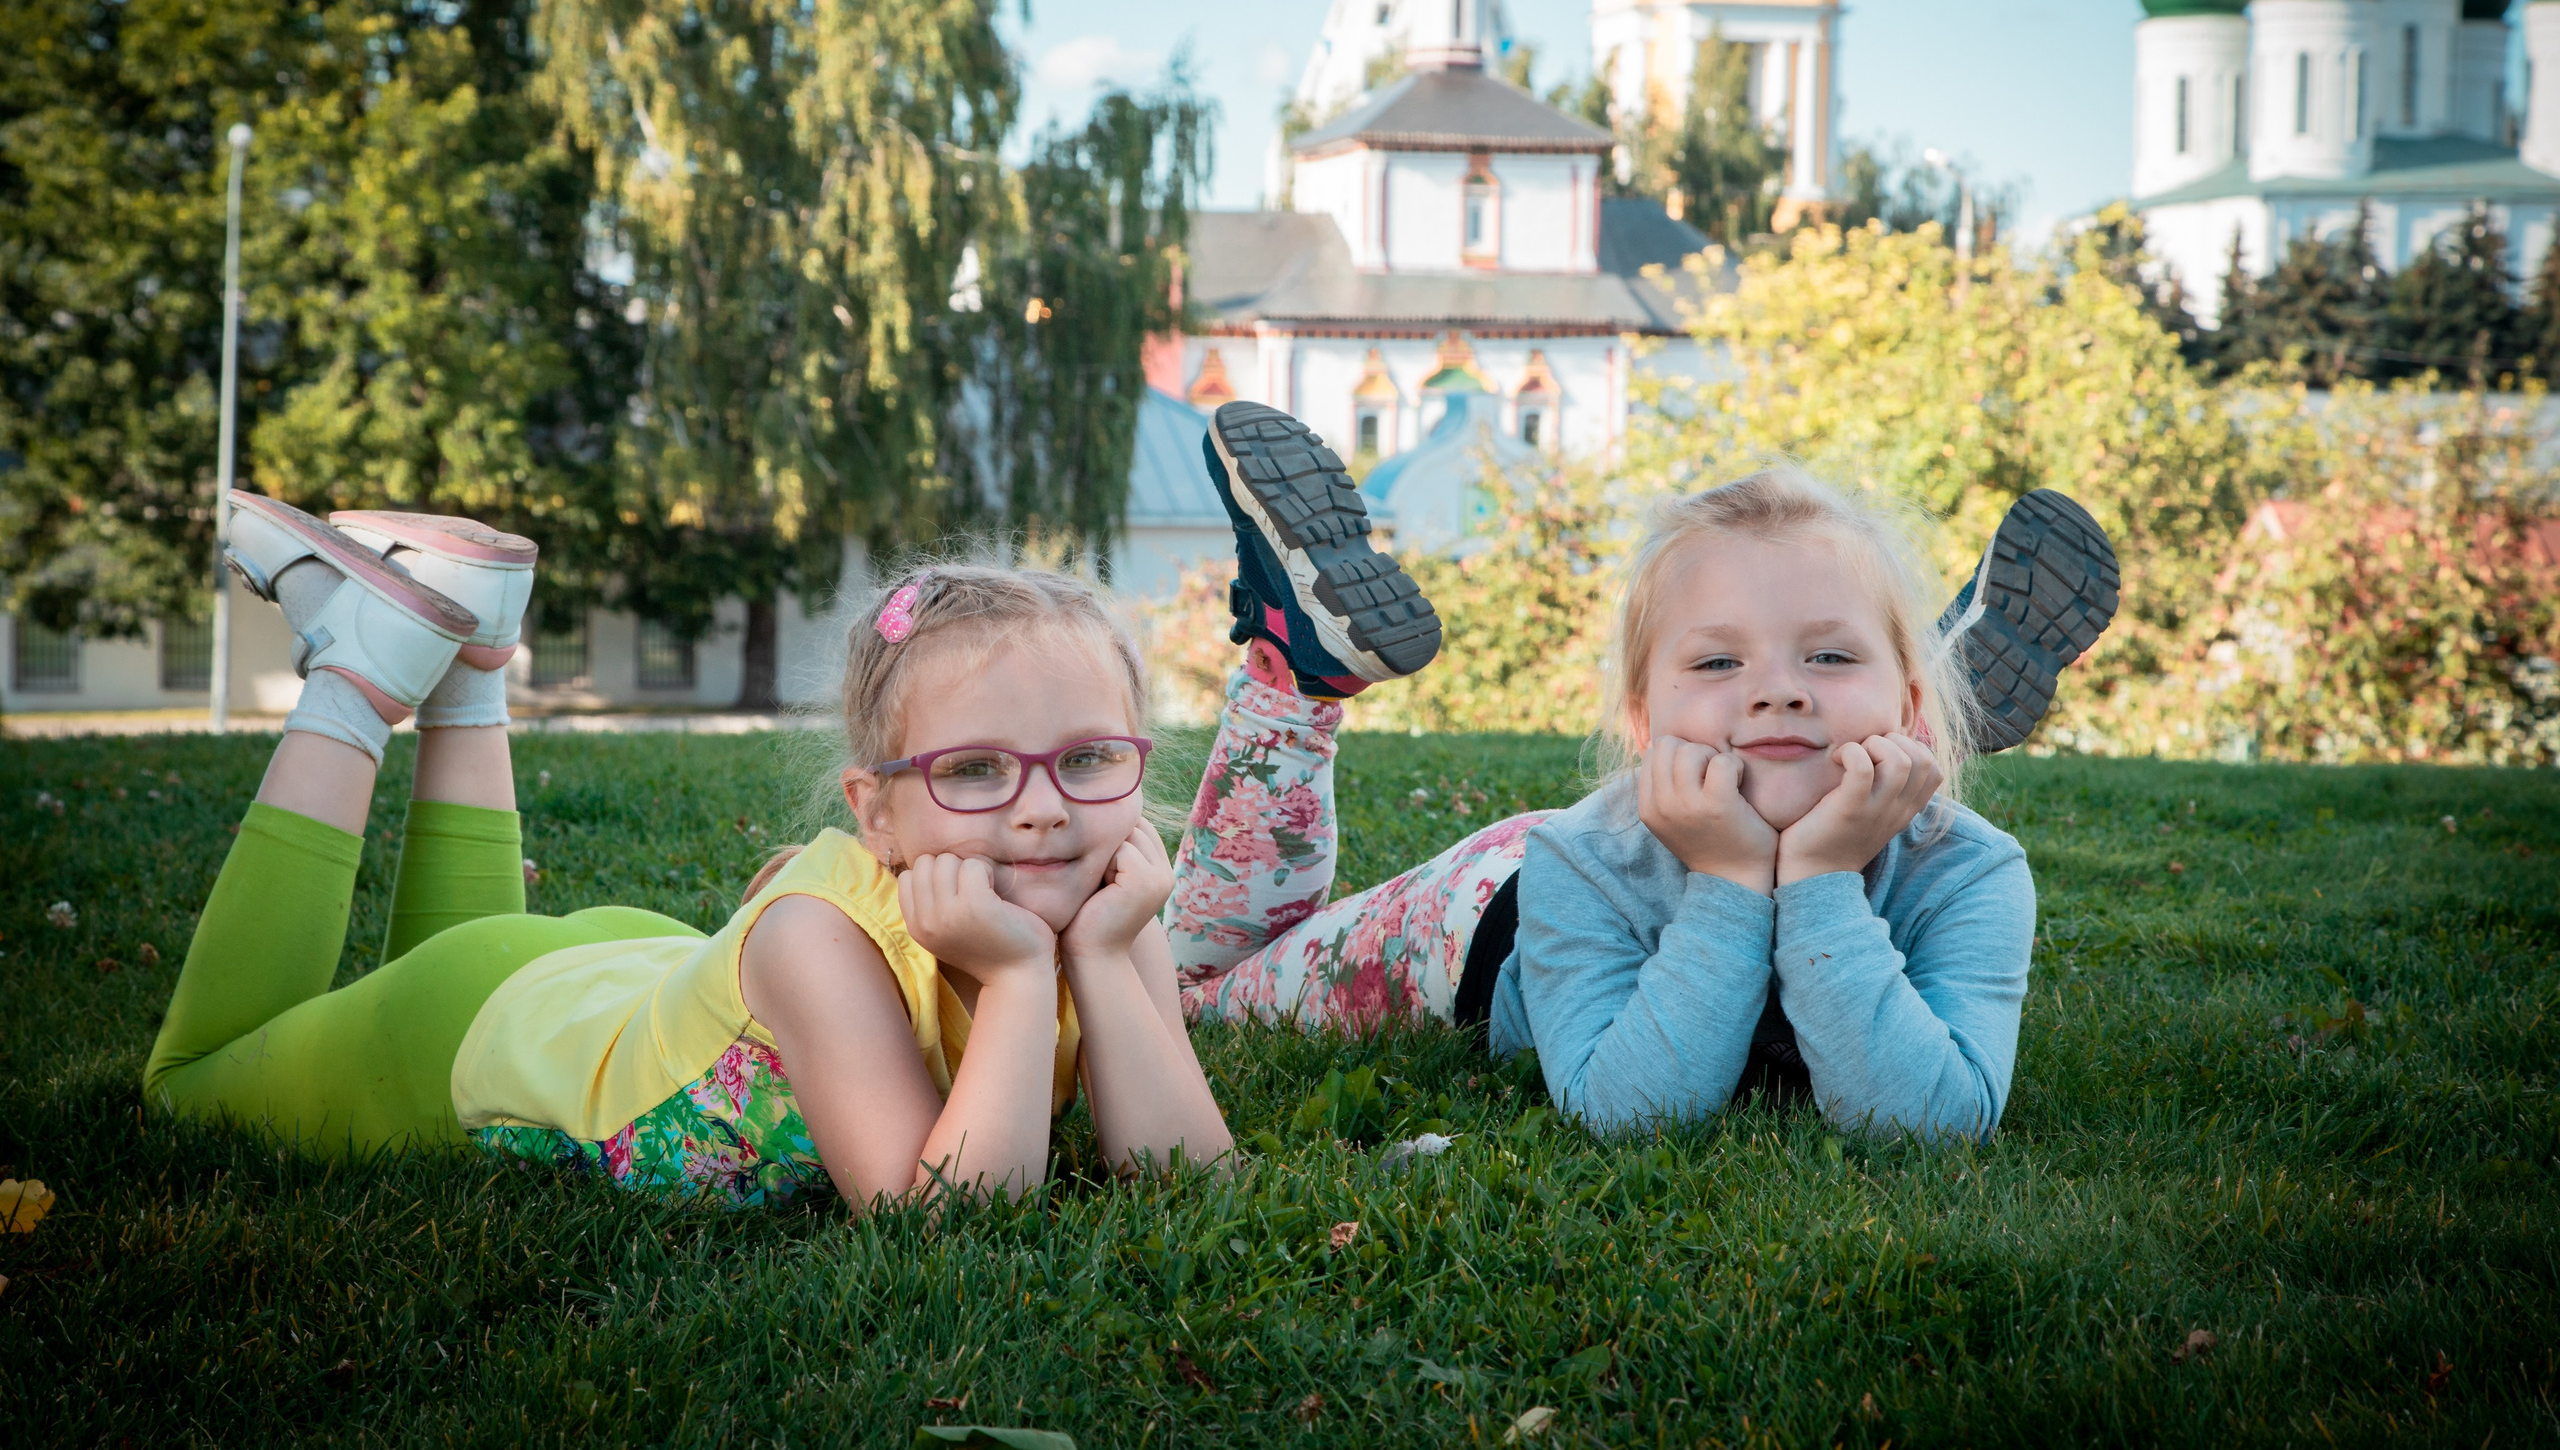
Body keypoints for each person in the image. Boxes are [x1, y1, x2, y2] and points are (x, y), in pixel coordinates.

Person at [144, 495, 1230, 1208]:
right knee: (182, 1091)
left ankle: (468, 649)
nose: (1043, 810)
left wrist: (1096, 955)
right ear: (878, 813)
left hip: (633, 976)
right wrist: (1017, 971)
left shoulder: (1108, 905)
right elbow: (948, 1219)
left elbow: (1186, 1178)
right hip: (487, 1027)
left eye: (1087, 760)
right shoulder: (819, 939)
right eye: (976, 771)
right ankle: (356, 676)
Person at [1167, 403, 2119, 1142]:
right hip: (1486, 912)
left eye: (1828, 657)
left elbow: (1932, 1124)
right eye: (1717, 663)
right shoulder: (1578, 862)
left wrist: (1824, 880)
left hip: (1729, 803)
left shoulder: (1973, 872)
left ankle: (1913, 701)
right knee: (1196, 994)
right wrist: (1731, 880)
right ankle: (1299, 673)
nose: (1777, 693)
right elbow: (1629, 1112)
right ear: (1641, 720)